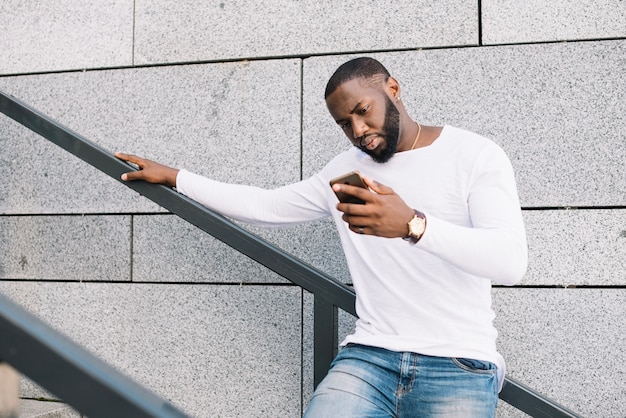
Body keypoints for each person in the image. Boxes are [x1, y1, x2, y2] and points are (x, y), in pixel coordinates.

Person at [115, 57, 528, 417]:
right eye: (344, 124)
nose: (359, 130)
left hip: (458, 362)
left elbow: (509, 261)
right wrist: (175, 177)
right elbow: (266, 207)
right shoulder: (343, 170)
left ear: (394, 89)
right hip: (371, 355)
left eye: (363, 111)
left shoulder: (474, 155)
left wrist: (413, 225)